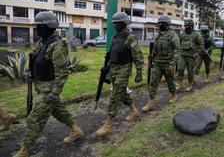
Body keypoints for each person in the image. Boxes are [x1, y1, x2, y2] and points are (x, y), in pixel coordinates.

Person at [14, 12, 84, 157]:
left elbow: (63, 71)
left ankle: (25, 149)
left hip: (49, 89)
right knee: (58, 110)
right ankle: (76, 130)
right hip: (40, 86)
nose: (37, 29)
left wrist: (56, 91)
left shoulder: (56, 45)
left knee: (34, 118)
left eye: (39, 26)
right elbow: (37, 60)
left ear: (46, 27)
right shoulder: (42, 43)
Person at [93, 12, 144, 137]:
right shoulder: (114, 37)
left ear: (124, 23)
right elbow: (112, 54)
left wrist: (139, 73)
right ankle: (133, 111)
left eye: (117, 22)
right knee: (122, 92)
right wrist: (106, 68)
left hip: (124, 70)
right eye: (114, 23)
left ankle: (108, 123)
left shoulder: (130, 38)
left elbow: (138, 56)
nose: (115, 25)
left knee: (115, 95)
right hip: (114, 69)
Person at [141, 15, 180, 112]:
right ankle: (151, 103)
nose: (160, 25)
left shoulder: (172, 35)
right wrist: (151, 56)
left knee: (170, 81)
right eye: (159, 23)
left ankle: (174, 95)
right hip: (157, 63)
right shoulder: (158, 35)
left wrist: (173, 63)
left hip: (168, 63)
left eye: (162, 23)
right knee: (153, 82)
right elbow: (155, 47)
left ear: (167, 24)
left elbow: (177, 50)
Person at [177, 19, 203, 92]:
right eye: (186, 26)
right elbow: (179, 43)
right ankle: (180, 83)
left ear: (192, 26)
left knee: (190, 71)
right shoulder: (182, 34)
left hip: (192, 56)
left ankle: (190, 84)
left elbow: (201, 45)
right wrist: (178, 52)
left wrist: (197, 53)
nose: (187, 27)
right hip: (183, 55)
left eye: (189, 26)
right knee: (180, 68)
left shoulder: (197, 34)